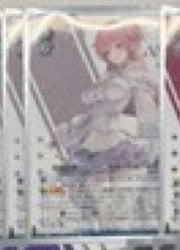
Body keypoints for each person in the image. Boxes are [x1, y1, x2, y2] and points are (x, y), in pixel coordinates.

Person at [57, 25, 158, 171]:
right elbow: (95, 95)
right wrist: (98, 93)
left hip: (124, 130)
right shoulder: (112, 74)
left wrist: (149, 141)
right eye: (108, 52)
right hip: (106, 125)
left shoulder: (138, 78)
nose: (114, 54)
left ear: (130, 44)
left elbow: (146, 112)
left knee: (114, 157)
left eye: (118, 46)